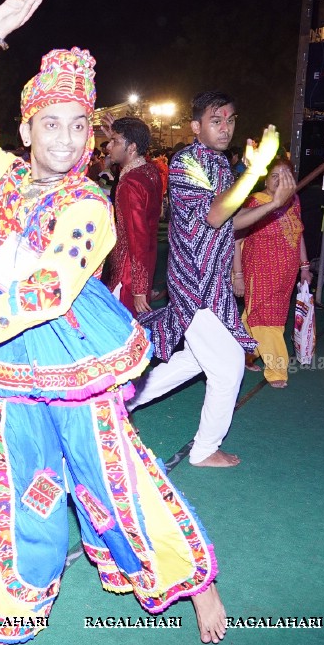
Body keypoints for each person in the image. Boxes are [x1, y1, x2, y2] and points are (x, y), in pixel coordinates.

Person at [0, 0, 225, 645]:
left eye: (77, 125)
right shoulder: (4, 179)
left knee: (109, 477)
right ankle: (8, 608)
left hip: (67, 349)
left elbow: (44, 294)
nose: (63, 137)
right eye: (48, 123)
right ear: (25, 130)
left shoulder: (91, 205)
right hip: (6, 363)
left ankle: (189, 579)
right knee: (13, 480)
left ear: (92, 137)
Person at [129, 92, 293, 467]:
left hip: (213, 280)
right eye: (216, 120)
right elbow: (215, 216)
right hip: (194, 281)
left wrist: (271, 204)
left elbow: (230, 223)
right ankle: (204, 449)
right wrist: (253, 174)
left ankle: (123, 399)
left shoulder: (220, 166)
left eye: (230, 120)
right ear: (196, 126)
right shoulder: (186, 162)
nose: (225, 128)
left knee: (196, 361)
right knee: (230, 364)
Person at [238, 160, 309, 388]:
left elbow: (298, 235)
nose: (279, 180)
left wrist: (305, 266)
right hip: (259, 268)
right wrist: (236, 274)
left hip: (286, 271)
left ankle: (243, 355)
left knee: (257, 315)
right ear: (266, 179)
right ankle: (277, 369)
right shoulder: (255, 201)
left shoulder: (293, 201)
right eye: (274, 175)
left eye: (285, 175)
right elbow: (236, 238)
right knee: (266, 317)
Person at [102, 116, 163, 315]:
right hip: (145, 261)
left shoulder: (130, 184)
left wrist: (138, 288)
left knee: (120, 327)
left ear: (132, 147)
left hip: (128, 270)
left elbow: (138, 237)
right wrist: (118, 134)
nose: (109, 147)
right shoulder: (149, 170)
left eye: (115, 142)